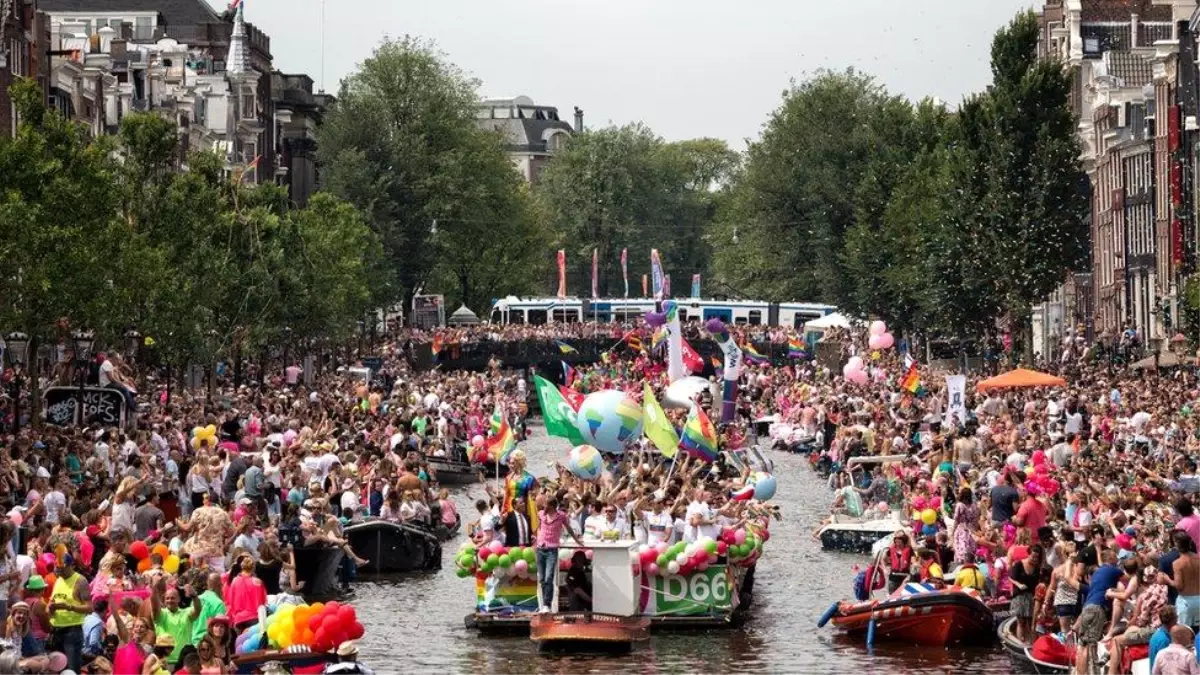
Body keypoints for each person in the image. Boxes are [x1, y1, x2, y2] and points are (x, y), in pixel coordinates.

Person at [535, 496, 583, 614]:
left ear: (551, 506)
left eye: (546, 505)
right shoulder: (541, 514)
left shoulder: (561, 516)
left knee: (549, 577)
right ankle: (543, 605)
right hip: (540, 549)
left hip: (552, 549)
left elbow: (569, 529)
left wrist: (577, 541)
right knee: (541, 579)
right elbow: (539, 527)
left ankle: (547, 604)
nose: (544, 507)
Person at [47, 553, 91, 673]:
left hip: (72, 631)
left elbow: (89, 607)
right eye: (57, 568)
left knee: (71, 669)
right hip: (56, 630)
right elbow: (52, 601)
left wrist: (69, 607)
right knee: (56, 669)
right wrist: (50, 608)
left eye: (62, 568)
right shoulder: (58, 580)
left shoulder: (80, 581)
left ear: (70, 566)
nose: (58, 571)